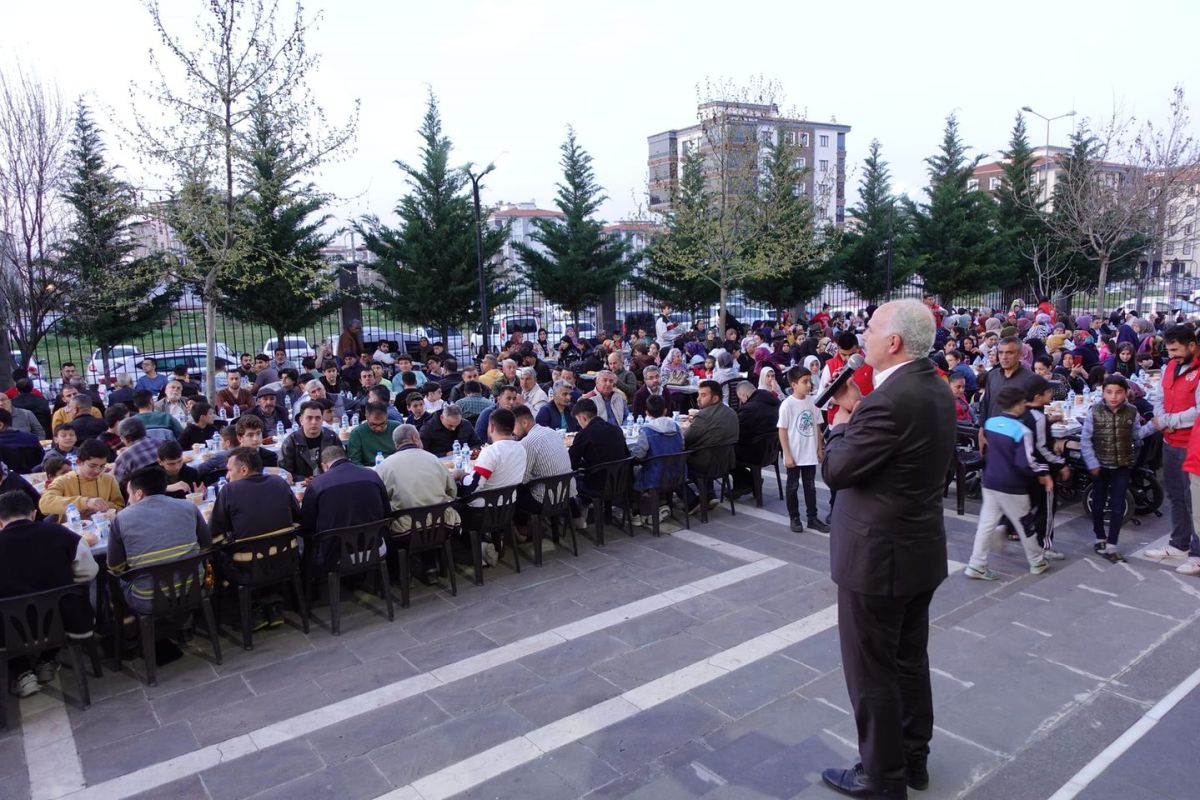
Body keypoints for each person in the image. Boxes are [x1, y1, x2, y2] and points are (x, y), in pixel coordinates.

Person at [816, 299, 956, 799]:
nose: (864, 336)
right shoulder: (934, 387)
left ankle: (881, 775)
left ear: (893, 341)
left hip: (877, 559)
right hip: (918, 549)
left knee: (871, 669)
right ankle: (913, 757)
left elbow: (836, 470)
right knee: (908, 659)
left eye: (871, 328)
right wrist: (859, 410)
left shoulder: (888, 402)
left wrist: (840, 420)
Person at [0, 490, 98, 698]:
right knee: (68, 600)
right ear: (34, 513)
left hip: (10, 630)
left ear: (0, 521)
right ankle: (47, 659)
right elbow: (89, 571)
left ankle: (22, 673)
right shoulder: (62, 534)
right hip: (64, 621)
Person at [965, 385, 1055, 580]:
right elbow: (1026, 463)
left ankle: (976, 564)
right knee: (1025, 525)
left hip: (990, 480)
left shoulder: (990, 423)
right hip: (1012, 485)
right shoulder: (1022, 431)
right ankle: (1037, 561)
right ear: (1018, 405)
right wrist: (1043, 472)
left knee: (986, 524)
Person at [107, 466, 212, 613]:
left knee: (111, 582)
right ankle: (184, 625)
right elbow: (206, 545)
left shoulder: (121, 518)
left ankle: (124, 630)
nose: (128, 499)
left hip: (148, 600)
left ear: (138, 494)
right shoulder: (189, 506)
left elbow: (115, 566)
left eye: (129, 494)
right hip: (193, 589)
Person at [1080, 375, 1160, 562]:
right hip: (1099, 466)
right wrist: (1092, 463)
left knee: (1118, 506)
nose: (1114, 396)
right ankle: (1100, 537)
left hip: (1122, 466)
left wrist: (1152, 426)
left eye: (1118, 392)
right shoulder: (1094, 411)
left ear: (1126, 393)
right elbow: (1085, 440)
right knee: (1098, 505)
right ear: (1103, 392)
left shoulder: (1132, 411)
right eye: (1109, 392)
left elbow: (1136, 435)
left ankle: (1112, 544)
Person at [1144, 326, 1200, 567]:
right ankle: (1179, 544)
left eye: (1176, 350)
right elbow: (1158, 397)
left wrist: (1169, 421)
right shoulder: (1169, 368)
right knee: (1175, 496)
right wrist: (1160, 417)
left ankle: (1198, 553)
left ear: (1191, 345)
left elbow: (1198, 410)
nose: (1172, 355)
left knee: (1195, 501)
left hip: (1192, 445)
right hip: (1170, 442)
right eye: (1169, 350)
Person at [376, 425, 458, 581]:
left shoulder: (384, 466)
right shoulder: (433, 459)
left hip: (406, 531)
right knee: (429, 515)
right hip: (442, 525)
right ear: (415, 438)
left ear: (396, 444)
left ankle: (400, 575)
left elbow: (382, 501)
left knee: (389, 523)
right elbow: (452, 492)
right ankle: (430, 567)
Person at [777, 367, 827, 534]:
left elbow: (817, 426)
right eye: (804, 382)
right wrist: (787, 454)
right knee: (792, 486)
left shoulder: (813, 402)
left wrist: (819, 449)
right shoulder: (787, 404)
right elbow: (782, 430)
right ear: (793, 384)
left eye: (809, 381)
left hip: (809, 453)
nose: (808, 385)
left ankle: (812, 518)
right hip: (795, 453)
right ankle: (794, 517)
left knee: (810, 486)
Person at [628, 393, 683, 527]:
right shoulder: (676, 427)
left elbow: (639, 456)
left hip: (655, 477)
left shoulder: (647, 431)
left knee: (632, 472)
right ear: (665, 410)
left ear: (646, 413)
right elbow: (682, 446)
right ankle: (660, 505)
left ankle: (638, 511)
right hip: (678, 473)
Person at [683, 380, 739, 507]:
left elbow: (686, 439)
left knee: (675, 463)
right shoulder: (732, 412)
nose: (698, 399)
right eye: (698, 395)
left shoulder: (703, 416)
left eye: (703, 395)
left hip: (705, 464)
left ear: (715, 398)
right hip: (726, 462)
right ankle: (709, 494)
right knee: (706, 450)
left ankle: (691, 501)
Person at [38, 439, 124, 519]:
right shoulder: (63, 480)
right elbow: (44, 503)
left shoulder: (109, 479)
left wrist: (104, 506)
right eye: (92, 466)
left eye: (102, 466)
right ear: (79, 462)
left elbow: (120, 507)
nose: (97, 471)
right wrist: (86, 502)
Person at [569, 398, 630, 509]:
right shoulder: (616, 429)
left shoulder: (584, 434)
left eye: (578, 420)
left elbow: (571, 463)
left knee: (571, 482)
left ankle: (579, 515)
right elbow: (626, 454)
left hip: (597, 485)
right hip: (621, 481)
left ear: (583, 418)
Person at [732, 380, 781, 491]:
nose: (742, 402)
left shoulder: (750, 409)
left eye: (741, 399)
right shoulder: (773, 400)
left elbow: (737, 430)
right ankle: (747, 483)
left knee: (726, 454)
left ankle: (749, 482)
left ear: (744, 395)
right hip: (773, 449)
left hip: (756, 452)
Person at [280, 402, 342, 480]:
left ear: (322, 419)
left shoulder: (332, 438)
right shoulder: (290, 442)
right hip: (302, 485)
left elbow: (341, 465)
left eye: (318, 418)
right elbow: (286, 473)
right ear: (301, 420)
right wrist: (304, 479)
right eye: (309, 418)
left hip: (329, 481)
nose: (314, 422)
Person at [113, 417, 163, 487]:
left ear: (126, 438)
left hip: (140, 492)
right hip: (166, 486)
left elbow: (116, 484)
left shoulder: (124, 457)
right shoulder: (161, 443)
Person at [347, 402, 400, 466]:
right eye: (373, 424)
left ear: (387, 416)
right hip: (369, 470)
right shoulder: (357, 433)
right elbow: (355, 462)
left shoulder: (397, 428)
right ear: (366, 417)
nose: (378, 428)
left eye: (382, 424)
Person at [0, 409, 45, 474]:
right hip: (34, 479)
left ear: (0, 425)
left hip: (8, 482)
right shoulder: (31, 438)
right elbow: (43, 462)